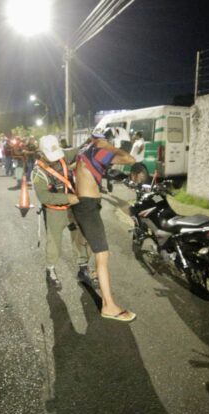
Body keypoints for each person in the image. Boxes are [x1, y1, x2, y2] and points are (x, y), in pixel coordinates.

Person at [72, 131, 136, 322]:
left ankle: (88, 271)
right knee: (103, 254)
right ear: (102, 141)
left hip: (84, 205)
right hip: (88, 207)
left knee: (95, 248)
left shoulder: (86, 151)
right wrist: (108, 146)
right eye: (105, 141)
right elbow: (130, 159)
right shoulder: (98, 151)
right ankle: (108, 305)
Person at [32, 135, 95, 289]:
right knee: (54, 242)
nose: (55, 159)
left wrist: (91, 141)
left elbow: (78, 150)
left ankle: (83, 268)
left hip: (73, 208)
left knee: (81, 237)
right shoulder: (37, 172)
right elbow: (44, 196)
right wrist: (67, 197)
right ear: (41, 154)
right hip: (55, 212)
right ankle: (50, 270)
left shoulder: (62, 155)